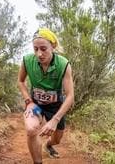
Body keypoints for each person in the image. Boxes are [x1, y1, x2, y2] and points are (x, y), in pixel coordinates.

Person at [17, 28, 74, 164]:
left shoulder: (63, 64)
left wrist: (54, 120)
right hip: (35, 105)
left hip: (56, 107)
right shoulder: (27, 61)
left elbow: (70, 95)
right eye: (35, 49)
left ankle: (48, 145)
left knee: (57, 139)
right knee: (31, 129)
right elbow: (20, 81)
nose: (39, 54)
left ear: (52, 46)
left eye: (43, 49)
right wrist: (28, 101)